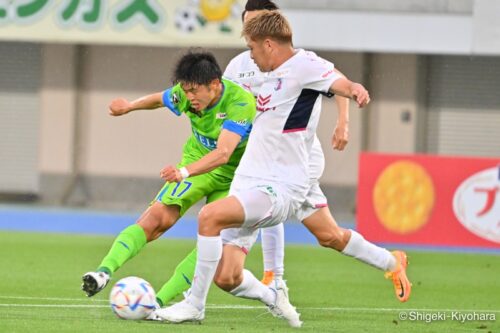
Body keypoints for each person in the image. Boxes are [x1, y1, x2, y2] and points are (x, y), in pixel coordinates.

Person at [155, 11, 410, 327]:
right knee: (232, 274)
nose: (250, 56)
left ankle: (195, 304)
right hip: (254, 177)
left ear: (268, 44)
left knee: (210, 216)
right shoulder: (268, 72)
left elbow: (338, 81)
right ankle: (387, 262)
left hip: (279, 184)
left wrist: (353, 90)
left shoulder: (304, 65)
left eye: (252, 48)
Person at [80, 50, 257, 300]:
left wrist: (183, 172)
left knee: (210, 239)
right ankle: (103, 272)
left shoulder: (240, 102)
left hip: (236, 177)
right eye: (185, 91)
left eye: (194, 91)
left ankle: (159, 302)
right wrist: (129, 107)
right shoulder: (186, 94)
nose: (188, 97)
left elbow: (223, 154)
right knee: (156, 219)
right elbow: (159, 99)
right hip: (197, 163)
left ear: (215, 85)